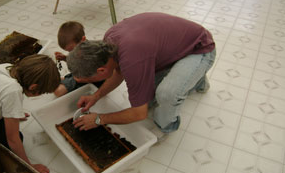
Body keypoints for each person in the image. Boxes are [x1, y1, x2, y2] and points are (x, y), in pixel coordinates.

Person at [66, 12, 216, 139]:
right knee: (149, 100)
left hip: (199, 48)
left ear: (100, 71)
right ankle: (196, 78)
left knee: (165, 94)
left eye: (90, 79)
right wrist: (96, 95)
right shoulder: (108, 44)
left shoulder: (132, 59)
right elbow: (117, 73)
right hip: (175, 48)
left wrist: (99, 119)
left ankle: (167, 126)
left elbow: (139, 114)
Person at [0, 54, 61, 173]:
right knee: (18, 137)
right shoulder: (13, 91)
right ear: (33, 87)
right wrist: (29, 166)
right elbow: (13, 139)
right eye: (41, 92)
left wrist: (13, 114)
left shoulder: (6, 68)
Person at [54, 21, 103, 97]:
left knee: (58, 92)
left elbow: (102, 74)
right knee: (58, 81)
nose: (71, 53)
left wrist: (83, 80)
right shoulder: (78, 47)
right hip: (79, 75)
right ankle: (65, 79)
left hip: (93, 80)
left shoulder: (93, 53)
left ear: (83, 39)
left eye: (71, 50)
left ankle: (65, 80)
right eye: (68, 51)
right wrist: (65, 58)